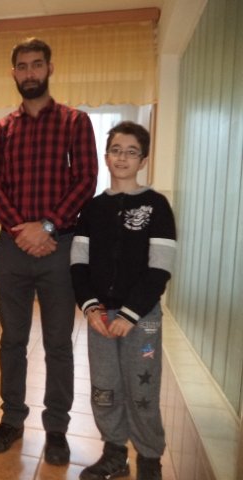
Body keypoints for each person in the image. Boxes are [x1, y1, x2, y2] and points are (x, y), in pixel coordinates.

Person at [0, 37, 98, 462]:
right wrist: (20, 229)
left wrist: (46, 226)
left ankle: (57, 428)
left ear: (50, 68)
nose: (29, 72)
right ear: (13, 73)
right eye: (22, 66)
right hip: (13, 248)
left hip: (58, 246)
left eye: (36, 64)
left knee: (58, 343)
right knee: (12, 340)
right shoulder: (1, 130)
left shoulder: (75, 122)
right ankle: (12, 419)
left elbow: (85, 179)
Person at [71, 121, 176, 480]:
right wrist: (90, 307)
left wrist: (130, 314)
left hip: (142, 319)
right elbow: (78, 263)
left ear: (143, 160)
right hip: (100, 317)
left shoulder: (157, 206)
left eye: (132, 152)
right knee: (104, 388)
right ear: (106, 156)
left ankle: (149, 459)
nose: (122, 158)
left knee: (141, 388)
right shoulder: (92, 209)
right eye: (116, 150)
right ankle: (115, 452)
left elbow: (160, 268)